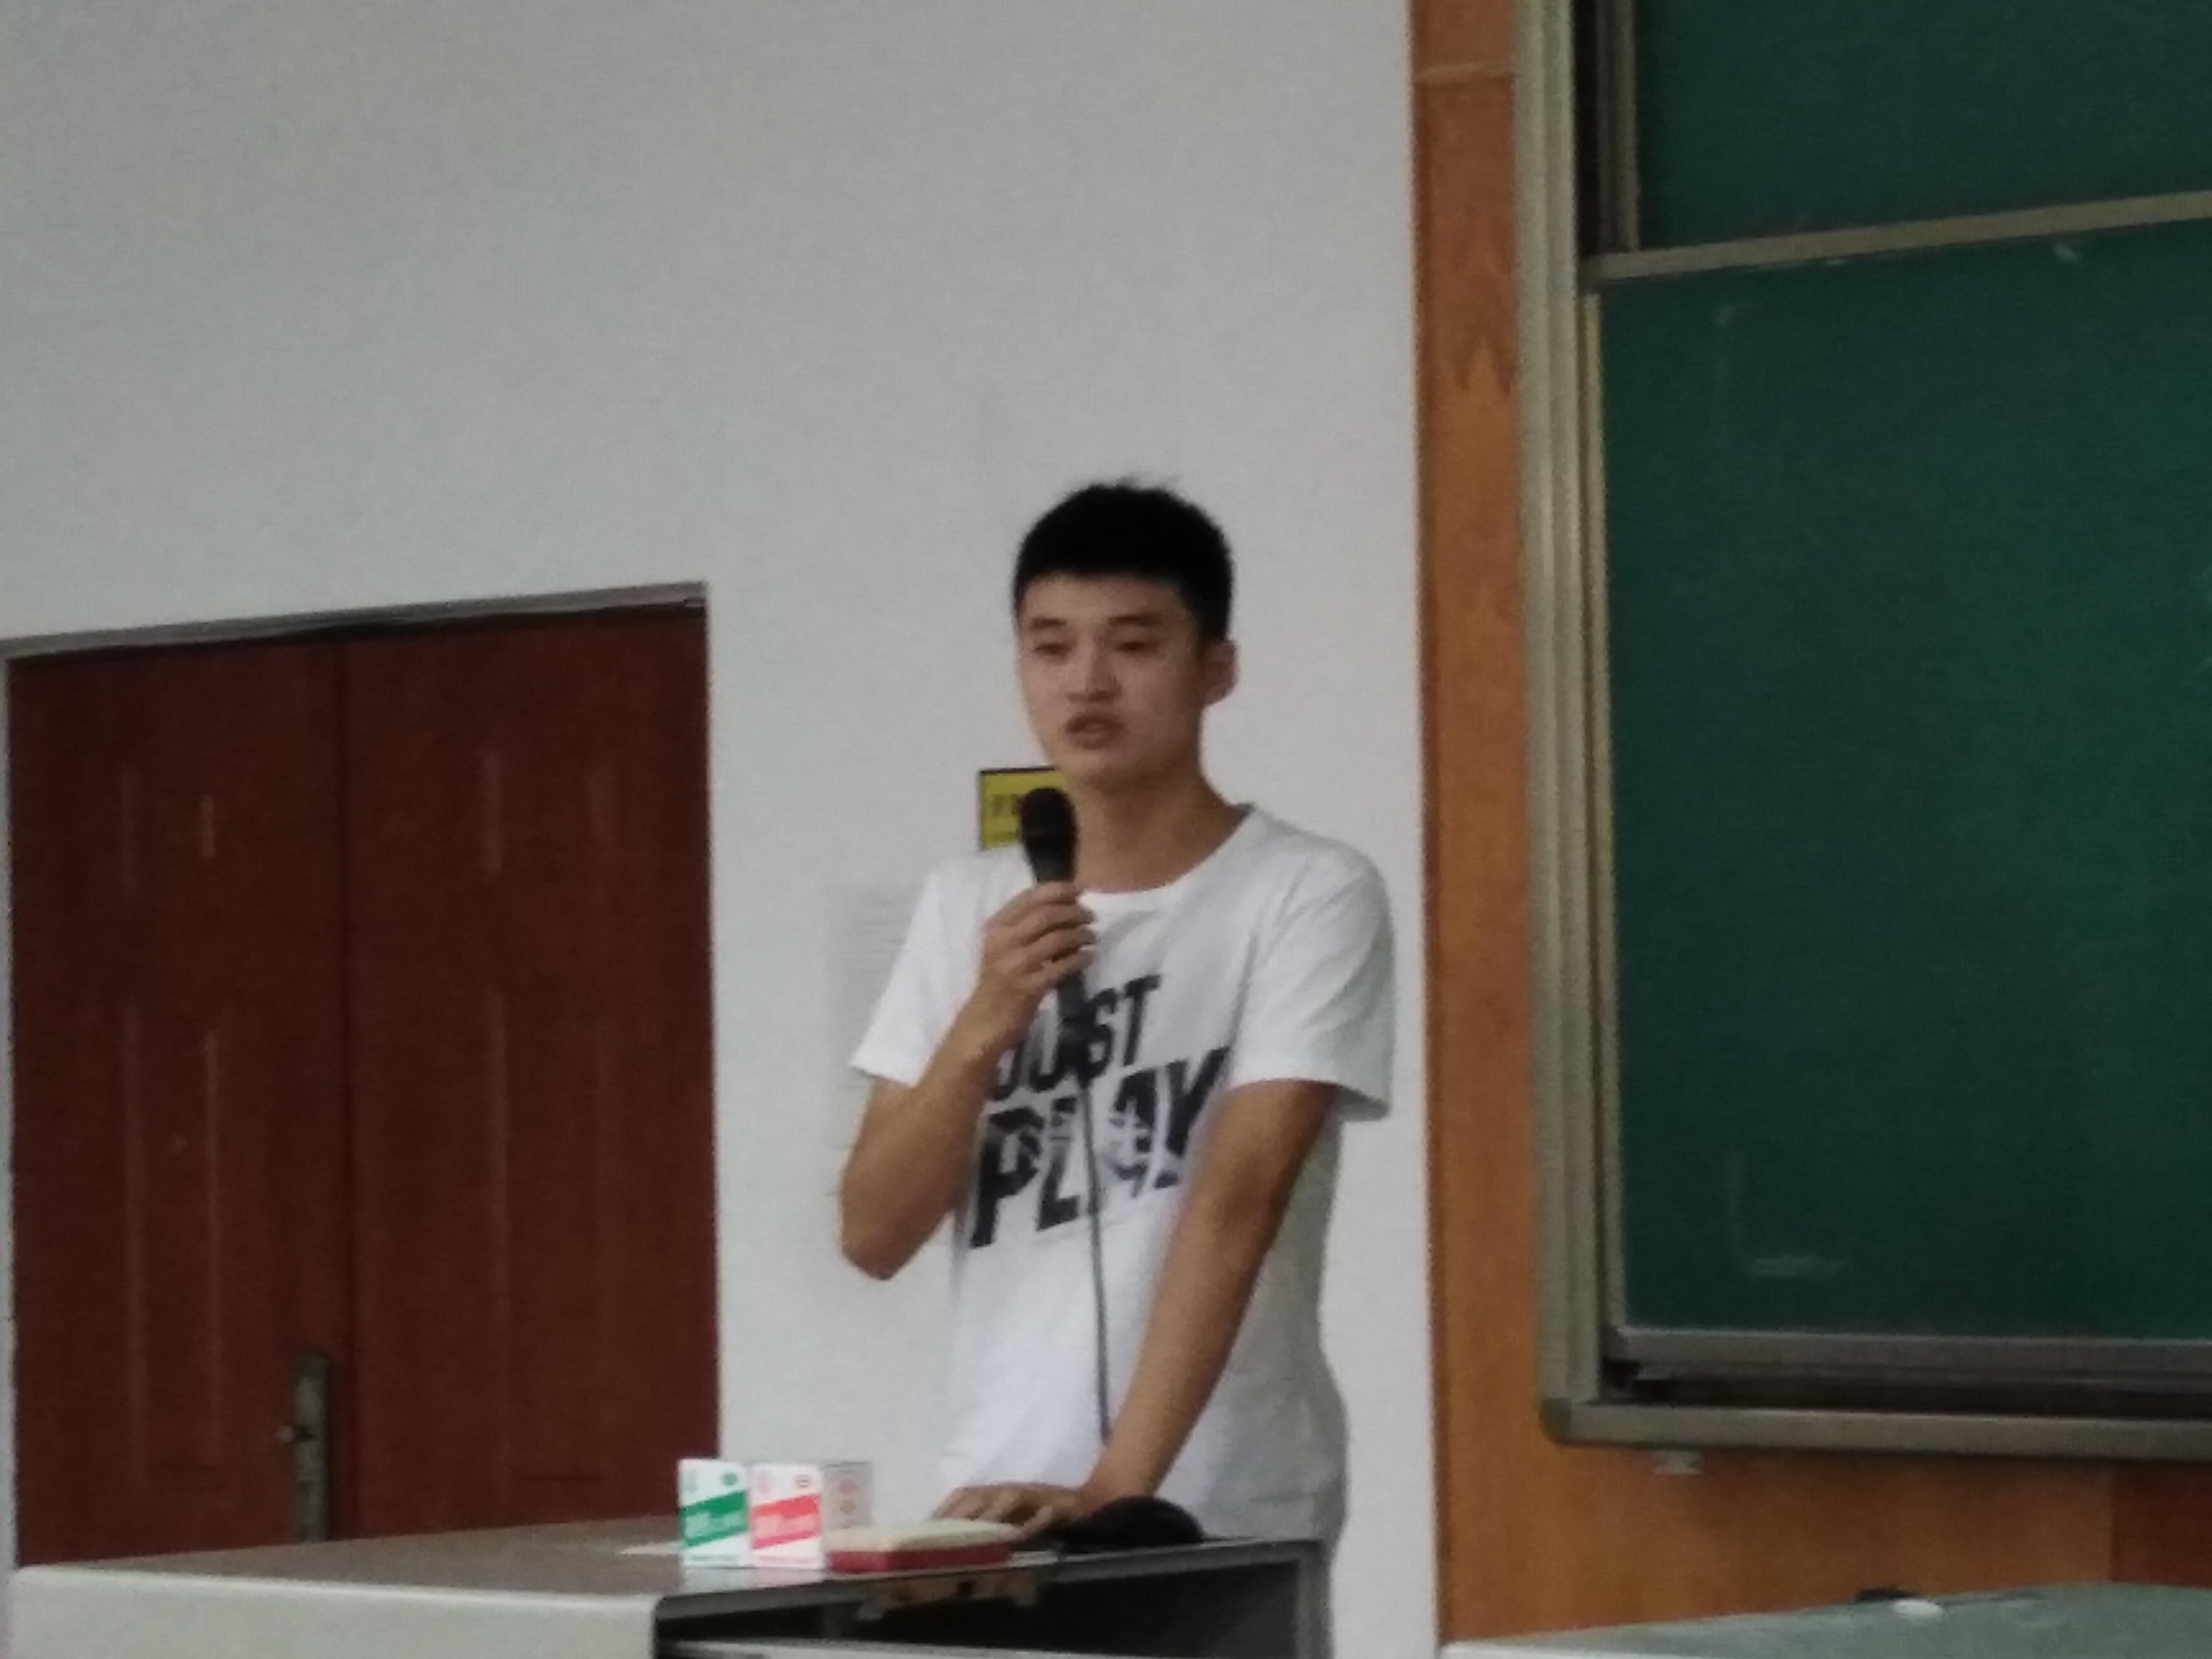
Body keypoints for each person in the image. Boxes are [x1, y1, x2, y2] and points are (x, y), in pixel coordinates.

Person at [840, 480, 1393, 1545]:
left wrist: (1112, 1497)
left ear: (1216, 669)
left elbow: (1240, 1199)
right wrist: (984, 1023)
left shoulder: (1308, 891)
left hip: (1217, 1498)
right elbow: (872, 1234)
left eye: (1133, 645)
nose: (1087, 682)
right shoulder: (966, 904)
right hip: (996, 1493)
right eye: (1050, 648)